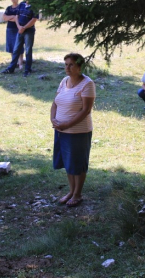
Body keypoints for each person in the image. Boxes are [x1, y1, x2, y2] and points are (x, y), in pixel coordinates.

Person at [50, 53, 96, 207]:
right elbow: (55, 103)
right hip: (61, 130)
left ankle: (77, 194)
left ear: (79, 67)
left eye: (71, 65)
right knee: (68, 163)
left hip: (78, 132)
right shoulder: (64, 81)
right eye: (66, 64)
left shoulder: (87, 84)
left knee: (77, 163)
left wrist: (67, 124)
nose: (67, 68)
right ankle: (71, 191)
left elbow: (86, 110)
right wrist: (53, 119)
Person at [0, 0, 39, 77]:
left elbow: (34, 19)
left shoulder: (35, 6)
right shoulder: (21, 4)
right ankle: (11, 68)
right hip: (20, 30)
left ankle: (27, 69)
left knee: (28, 50)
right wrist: (19, 27)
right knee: (16, 49)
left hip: (29, 31)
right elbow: (17, 16)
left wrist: (24, 27)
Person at [2, 0, 24, 69]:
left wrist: (14, 19)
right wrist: (13, 17)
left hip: (18, 28)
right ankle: (13, 63)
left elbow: (19, 18)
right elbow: (4, 18)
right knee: (11, 46)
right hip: (10, 29)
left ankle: (20, 63)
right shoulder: (9, 8)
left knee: (19, 46)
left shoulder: (20, 7)